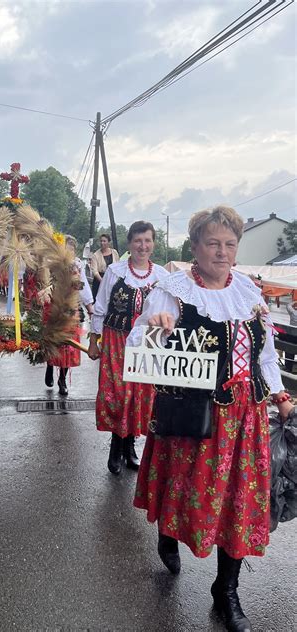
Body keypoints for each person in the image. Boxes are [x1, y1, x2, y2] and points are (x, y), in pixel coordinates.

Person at [127, 206, 293, 632]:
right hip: (196, 414)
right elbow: (137, 347)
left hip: (248, 416)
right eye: (213, 243)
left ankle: (227, 590)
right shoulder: (173, 290)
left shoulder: (250, 293)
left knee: (241, 500)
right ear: (195, 247)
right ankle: (168, 531)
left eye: (230, 244)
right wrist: (155, 327)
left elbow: (265, 355)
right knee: (184, 487)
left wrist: (280, 395)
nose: (222, 252)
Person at [88, 221, 168, 474]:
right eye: (138, 241)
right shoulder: (115, 271)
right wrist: (93, 341)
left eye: (147, 240)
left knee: (140, 395)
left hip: (147, 343)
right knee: (118, 394)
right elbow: (100, 307)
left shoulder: (163, 277)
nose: (143, 246)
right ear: (130, 243)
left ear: (153, 243)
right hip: (116, 341)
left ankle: (130, 445)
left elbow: (172, 311)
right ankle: (116, 444)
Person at [45, 235, 94, 396]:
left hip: (72, 309)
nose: (69, 252)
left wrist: (90, 308)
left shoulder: (78, 266)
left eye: (71, 249)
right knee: (54, 342)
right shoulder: (53, 265)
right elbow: (46, 285)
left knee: (69, 346)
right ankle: (50, 367)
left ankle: (62, 380)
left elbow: (84, 288)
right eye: (66, 249)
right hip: (55, 308)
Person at [89, 234, 120, 300]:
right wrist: (103, 281)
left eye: (104, 241)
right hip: (100, 280)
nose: (102, 243)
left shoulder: (114, 252)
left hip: (112, 279)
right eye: (101, 241)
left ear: (108, 242)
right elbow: (95, 271)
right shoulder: (95, 255)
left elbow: (118, 266)